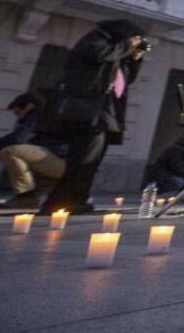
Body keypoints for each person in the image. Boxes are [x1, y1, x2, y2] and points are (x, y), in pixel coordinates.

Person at [38, 19, 148, 215]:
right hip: (87, 112)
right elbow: (100, 55)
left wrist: (134, 57)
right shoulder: (95, 40)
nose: (136, 40)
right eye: (135, 37)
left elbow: (126, 79)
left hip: (104, 113)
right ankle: (57, 203)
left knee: (91, 163)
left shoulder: (116, 50)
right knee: (81, 161)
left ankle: (77, 200)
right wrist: (127, 45)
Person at [0, 93, 67, 209]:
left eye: (18, 112)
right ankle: (45, 195)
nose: (18, 117)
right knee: (13, 154)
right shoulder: (48, 116)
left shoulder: (37, 114)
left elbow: (19, 138)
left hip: (58, 162)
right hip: (59, 162)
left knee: (11, 152)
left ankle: (26, 198)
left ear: (29, 106)